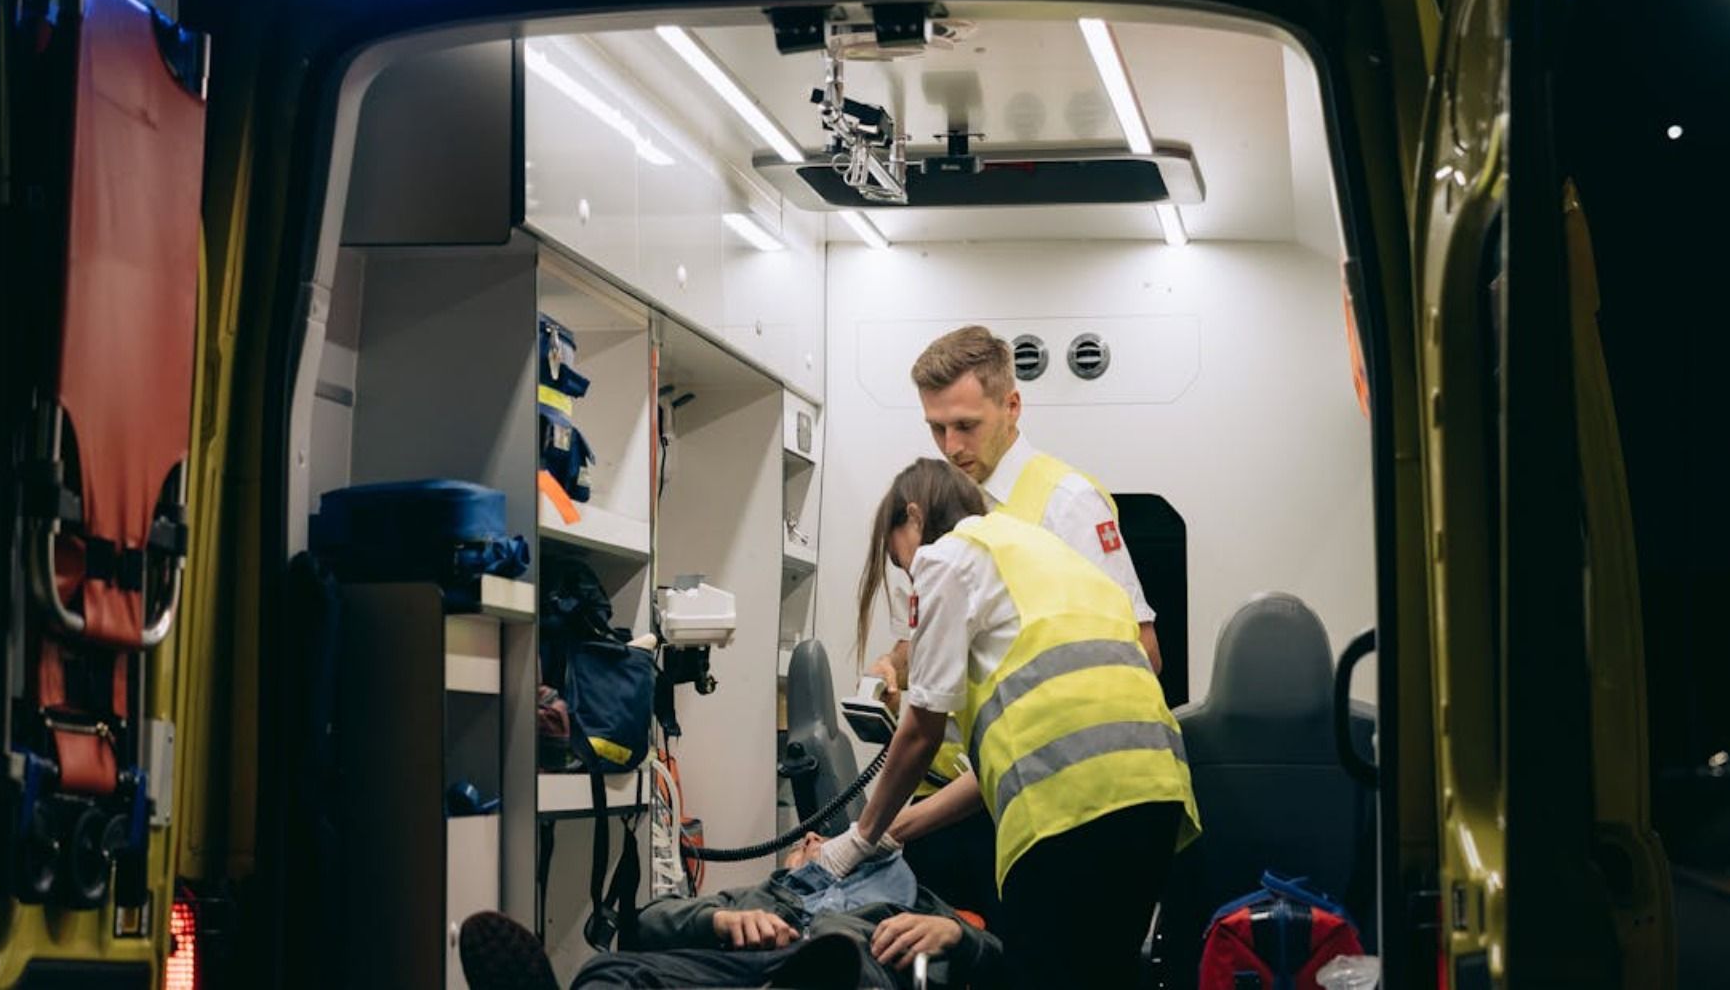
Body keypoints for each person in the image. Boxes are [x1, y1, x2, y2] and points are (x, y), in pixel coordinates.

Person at [820, 459, 1200, 989]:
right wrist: (894, 833)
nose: (909, 574)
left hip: (1066, 814)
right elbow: (1003, 769)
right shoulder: (1052, 559)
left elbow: (921, 733)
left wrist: (858, 839)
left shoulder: (947, 557)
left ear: (914, 517)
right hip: (1154, 798)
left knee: (1034, 974)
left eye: (897, 557)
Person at [870, 324, 1165, 921]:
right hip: (964, 791)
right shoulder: (954, 506)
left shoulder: (1064, 503)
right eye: (935, 427)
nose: (950, 446)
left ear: (1011, 406)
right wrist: (897, 662)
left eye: (966, 425)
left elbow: (1141, 653)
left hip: (1029, 792)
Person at [457, 832, 1002, 990]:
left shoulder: (906, 899)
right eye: (809, 839)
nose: (816, 838)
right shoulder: (763, 894)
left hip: (846, 961)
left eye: (828, 836)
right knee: (608, 971)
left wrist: (953, 935)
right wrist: (718, 920)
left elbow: (1002, 957)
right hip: (743, 968)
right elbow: (643, 923)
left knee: (840, 959)